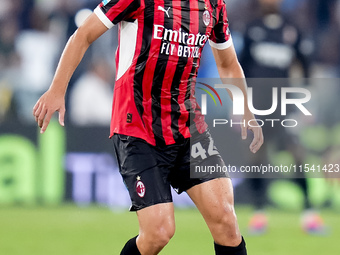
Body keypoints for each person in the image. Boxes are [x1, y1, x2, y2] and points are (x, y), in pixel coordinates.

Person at [32, 0, 263, 254]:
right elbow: (83, 35)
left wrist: (245, 107)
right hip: (138, 129)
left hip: (188, 129)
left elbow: (228, 63)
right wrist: (57, 89)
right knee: (159, 232)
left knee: (227, 222)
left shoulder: (213, 5)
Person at [239, 0, 325, 235]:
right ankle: (258, 215)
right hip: (258, 107)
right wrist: (239, 106)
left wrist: (308, 103)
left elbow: (305, 68)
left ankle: (309, 214)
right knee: (257, 158)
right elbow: (239, 70)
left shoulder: (291, 28)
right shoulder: (252, 29)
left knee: (296, 156)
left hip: (284, 106)